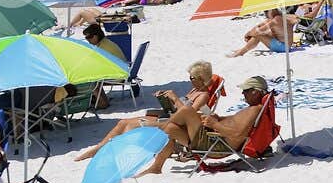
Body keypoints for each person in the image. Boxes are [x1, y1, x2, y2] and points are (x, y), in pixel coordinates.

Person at [85, 76, 272, 176]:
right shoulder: (251, 108)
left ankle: (158, 126)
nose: (243, 94)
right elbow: (234, 123)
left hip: (218, 145)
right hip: (211, 138)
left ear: (256, 92)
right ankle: (157, 166)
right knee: (170, 130)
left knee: (188, 112)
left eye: (246, 91)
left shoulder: (253, 110)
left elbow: (238, 132)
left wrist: (215, 123)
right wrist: (218, 117)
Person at [75, 61, 224, 160]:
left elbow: (189, 115)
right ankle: (99, 148)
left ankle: (108, 151)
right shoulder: (194, 90)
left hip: (177, 127)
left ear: (201, 78)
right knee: (122, 122)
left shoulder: (203, 95)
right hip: (169, 117)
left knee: (131, 126)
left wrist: (175, 98)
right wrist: (166, 99)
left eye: (192, 77)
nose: (189, 79)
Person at [227, 8, 300, 57]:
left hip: (284, 47)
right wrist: (249, 32)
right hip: (284, 44)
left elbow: (258, 32)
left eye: (266, 11)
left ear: (272, 11)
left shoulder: (276, 20)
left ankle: (241, 52)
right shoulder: (279, 17)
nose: (265, 13)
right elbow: (259, 26)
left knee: (259, 35)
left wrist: (248, 34)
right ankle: (242, 50)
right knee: (261, 33)